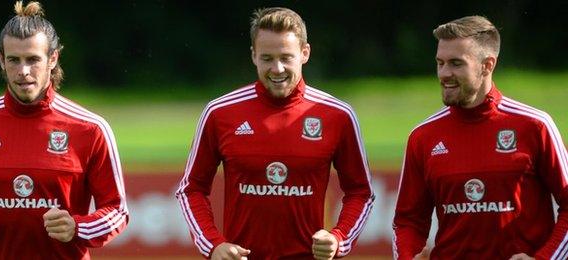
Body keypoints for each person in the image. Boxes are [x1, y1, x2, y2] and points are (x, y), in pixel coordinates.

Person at [175, 7, 375, 260]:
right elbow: (190, 189)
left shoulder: (338, 115)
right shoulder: (220, 113)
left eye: (286, 57)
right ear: (253, 56)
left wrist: (339, 237)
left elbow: (361, 192)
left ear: (305, 53)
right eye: (267, 58)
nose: (277, 69)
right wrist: (213, 245)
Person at [0, 1, 128, 259]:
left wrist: (78, 227)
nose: (23, 71)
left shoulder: (91, 129)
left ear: (52, 59)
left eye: (33, 59)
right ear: (1, 60)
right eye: (14, 60)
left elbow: (118, 210)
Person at [392, 15, 568, 259]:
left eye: (456, 63)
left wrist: (546, 258)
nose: (444, 73)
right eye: (440, 63)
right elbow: (408, 221)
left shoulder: (535, 125)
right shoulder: (423, 136)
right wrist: (407, 256)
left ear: (487, 65)